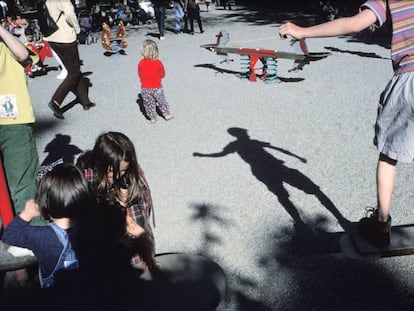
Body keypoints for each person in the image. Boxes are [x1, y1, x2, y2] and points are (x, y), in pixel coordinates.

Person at [279, 0, 411, 248]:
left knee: (388, 156)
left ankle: (382, 225)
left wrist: (303, 31)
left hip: (409, 77)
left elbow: (354, 24)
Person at [77, 131, 159, 270]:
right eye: (111, 171)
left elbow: (140, 220)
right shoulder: (86, 177)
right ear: (99, 164)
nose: (118, 176)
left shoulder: (132, 176)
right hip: (102, 246)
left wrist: (147, 256)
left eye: (123, 170)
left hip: (132, 246)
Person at [2, 164, 87, 289]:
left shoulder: (41, 237)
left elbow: (9, 235)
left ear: (44, 204)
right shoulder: (88, 228)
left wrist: (27, 214)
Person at [0, 24, 42, 226]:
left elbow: (23, 54)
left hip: (12, 120)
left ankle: (32, 233)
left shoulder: (8, 42)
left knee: (23, 178)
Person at [43, 0, 95, 119]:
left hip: (52, 37)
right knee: (74, 72)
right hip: (65, 37)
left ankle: (85, 101)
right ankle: (56, 101)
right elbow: (70, 14)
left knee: (74, 69)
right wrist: (77, 29)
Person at [138, 39, 173, 123]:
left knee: (149, 104)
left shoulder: (141, 63)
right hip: (156, 87)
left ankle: (152, 117)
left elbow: (140, 74)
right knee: (161, 101)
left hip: (145, 88)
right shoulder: (158, 63)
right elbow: (163, 74)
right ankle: (166, 114)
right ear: (156, 51)